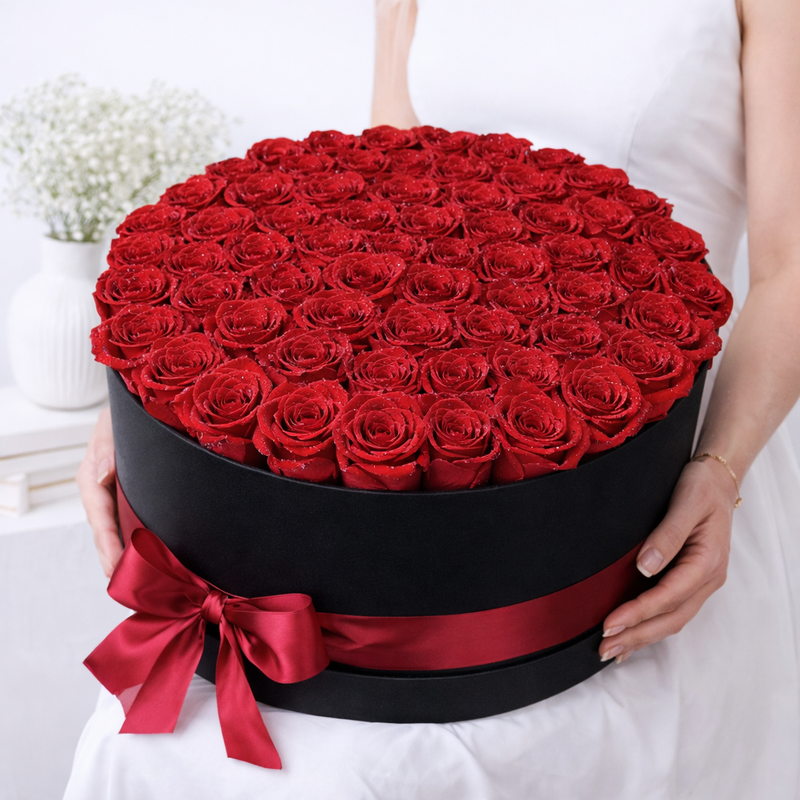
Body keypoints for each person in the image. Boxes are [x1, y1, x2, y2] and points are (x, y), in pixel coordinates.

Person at [69, 0, 800, 796]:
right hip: (396, 529)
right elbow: (393, 174)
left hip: (648, 494)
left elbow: (791, 265)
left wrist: (720, 468)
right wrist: (153, 409)